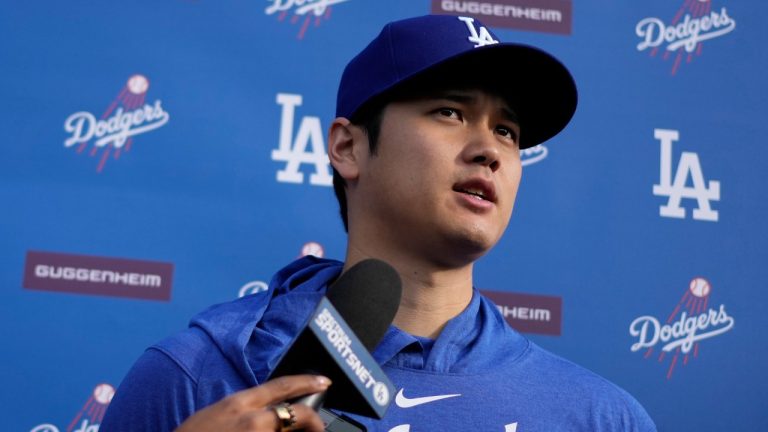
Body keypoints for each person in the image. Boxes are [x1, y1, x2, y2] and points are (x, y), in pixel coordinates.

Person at [101, 14, 656, 432]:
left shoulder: (601, 415)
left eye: (508, 132)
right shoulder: (194, 377)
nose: (490, 149)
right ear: (347, 147)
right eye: (450, 112)